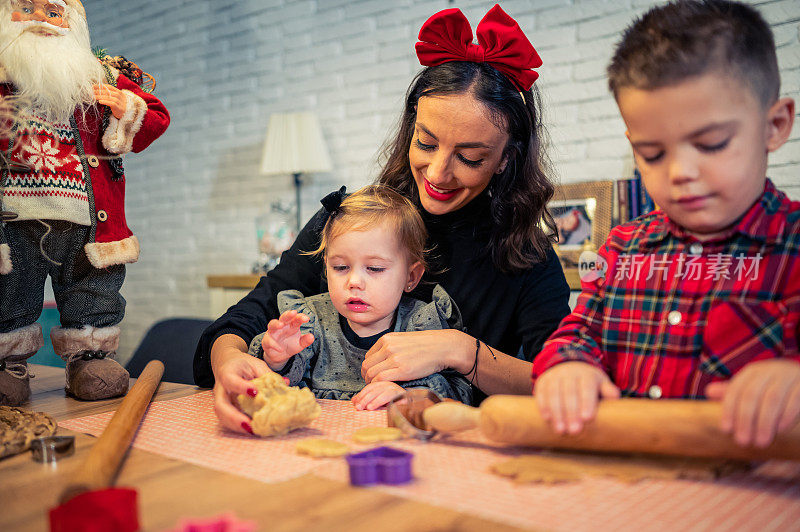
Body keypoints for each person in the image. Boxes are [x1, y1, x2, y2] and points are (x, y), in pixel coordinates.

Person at [195, 4, 571, 434]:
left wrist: (461, 350)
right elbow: (243, 320)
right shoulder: (350, 222)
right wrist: (230, 362)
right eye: (425, 143)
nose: (437, 173)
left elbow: (560, 382)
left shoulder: (525, 257)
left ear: (506, 158)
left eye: (469, 157)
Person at [533, 0, 799, 450]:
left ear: (774, 126)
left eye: (711, 144)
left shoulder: (791, 247)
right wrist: (568, 366)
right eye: (652, 154)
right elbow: (579, 332)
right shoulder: (621, 250)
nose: (679, 172)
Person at [0, 0, 170, 405]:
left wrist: (125, 106)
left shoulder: (99, 75)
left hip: (88, 222)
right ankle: (8, 365)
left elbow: (158, 117)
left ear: (72, 23)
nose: (42, 18)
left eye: (53, 11)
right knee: (9, 291)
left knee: (92, 292)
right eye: (27, 8)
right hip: (13, 218)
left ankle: (90, 359)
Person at [246, 185, 472, 419]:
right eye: (340, 267)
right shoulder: (310, 321)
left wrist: (410, 397)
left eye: (374, 268)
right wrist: (277, 360)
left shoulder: (423, 327)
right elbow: (279, 391)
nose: (354, 282)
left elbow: (460, 396)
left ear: (411, 277)